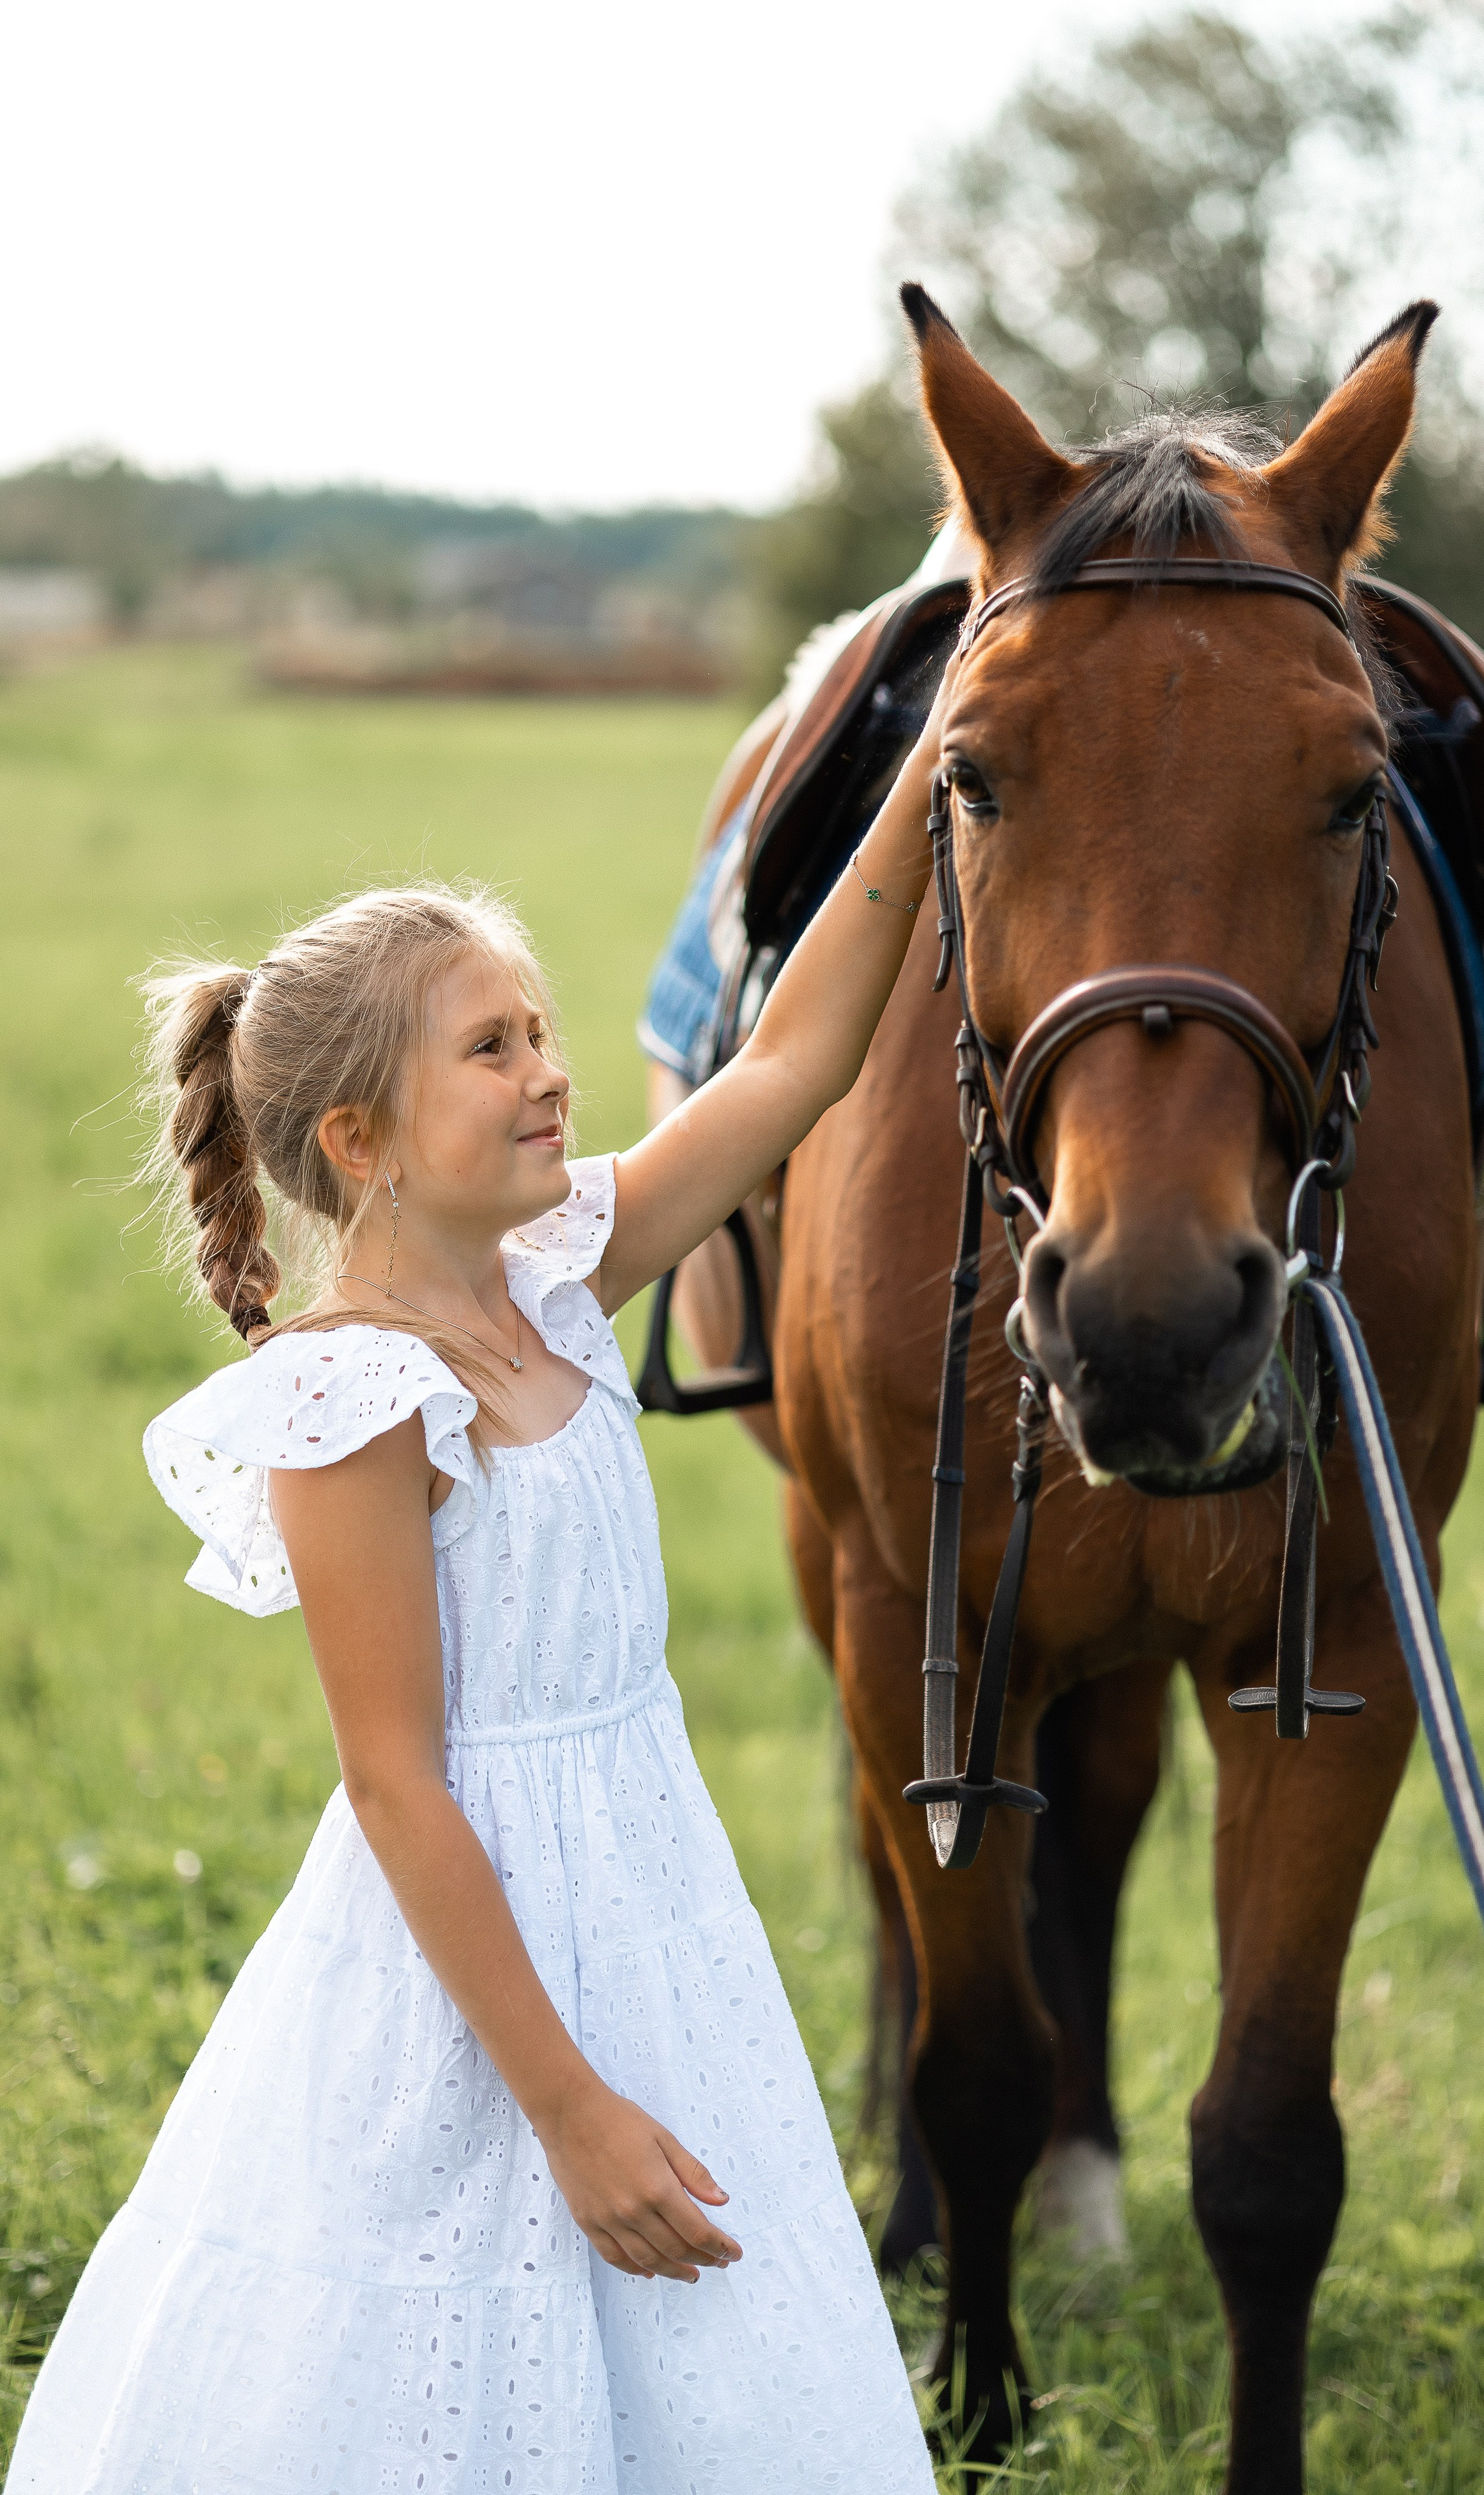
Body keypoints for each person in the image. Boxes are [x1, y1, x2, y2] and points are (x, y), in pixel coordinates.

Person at [5, 678, 951, 2493]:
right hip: (472, 1962)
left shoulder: (560, 1271)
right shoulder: (348, 1392)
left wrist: (933, 774)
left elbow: (789, 1064)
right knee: (459, 2323)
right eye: (492, 1049)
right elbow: (398, 1781)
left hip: (649, 1897)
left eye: (542, 1032)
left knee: (707, 2335)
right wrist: (571, 2105)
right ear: (358, 1140)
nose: (549, 1072)